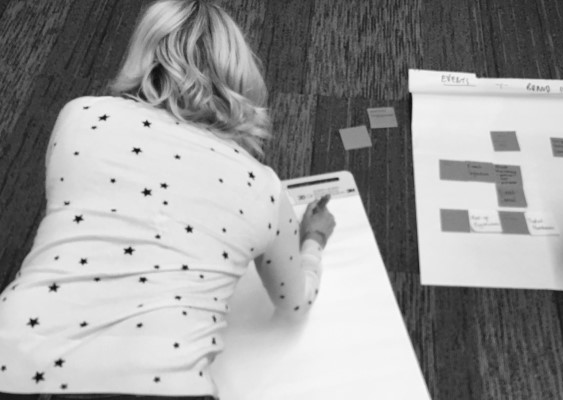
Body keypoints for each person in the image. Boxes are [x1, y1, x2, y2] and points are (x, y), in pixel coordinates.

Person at [0, 1, 335, 399]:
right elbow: (294, 304)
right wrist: (312, 241)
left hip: (13, 360)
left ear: (143, 54)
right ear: (241, 74)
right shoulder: (262, 185)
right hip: (160, 384)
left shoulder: (81, 115)